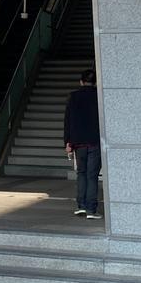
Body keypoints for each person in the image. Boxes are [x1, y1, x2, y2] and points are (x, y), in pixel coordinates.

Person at [63, 69, 102, 220]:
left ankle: (81, 206)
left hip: (78, 143)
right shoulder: (99, 96)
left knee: (81, 173)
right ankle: (91, 210)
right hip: (94, 141)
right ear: (95, 82)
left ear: (81, 82)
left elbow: (68, 120)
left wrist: (68, 142)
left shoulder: (73, 97)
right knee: (92, 175)